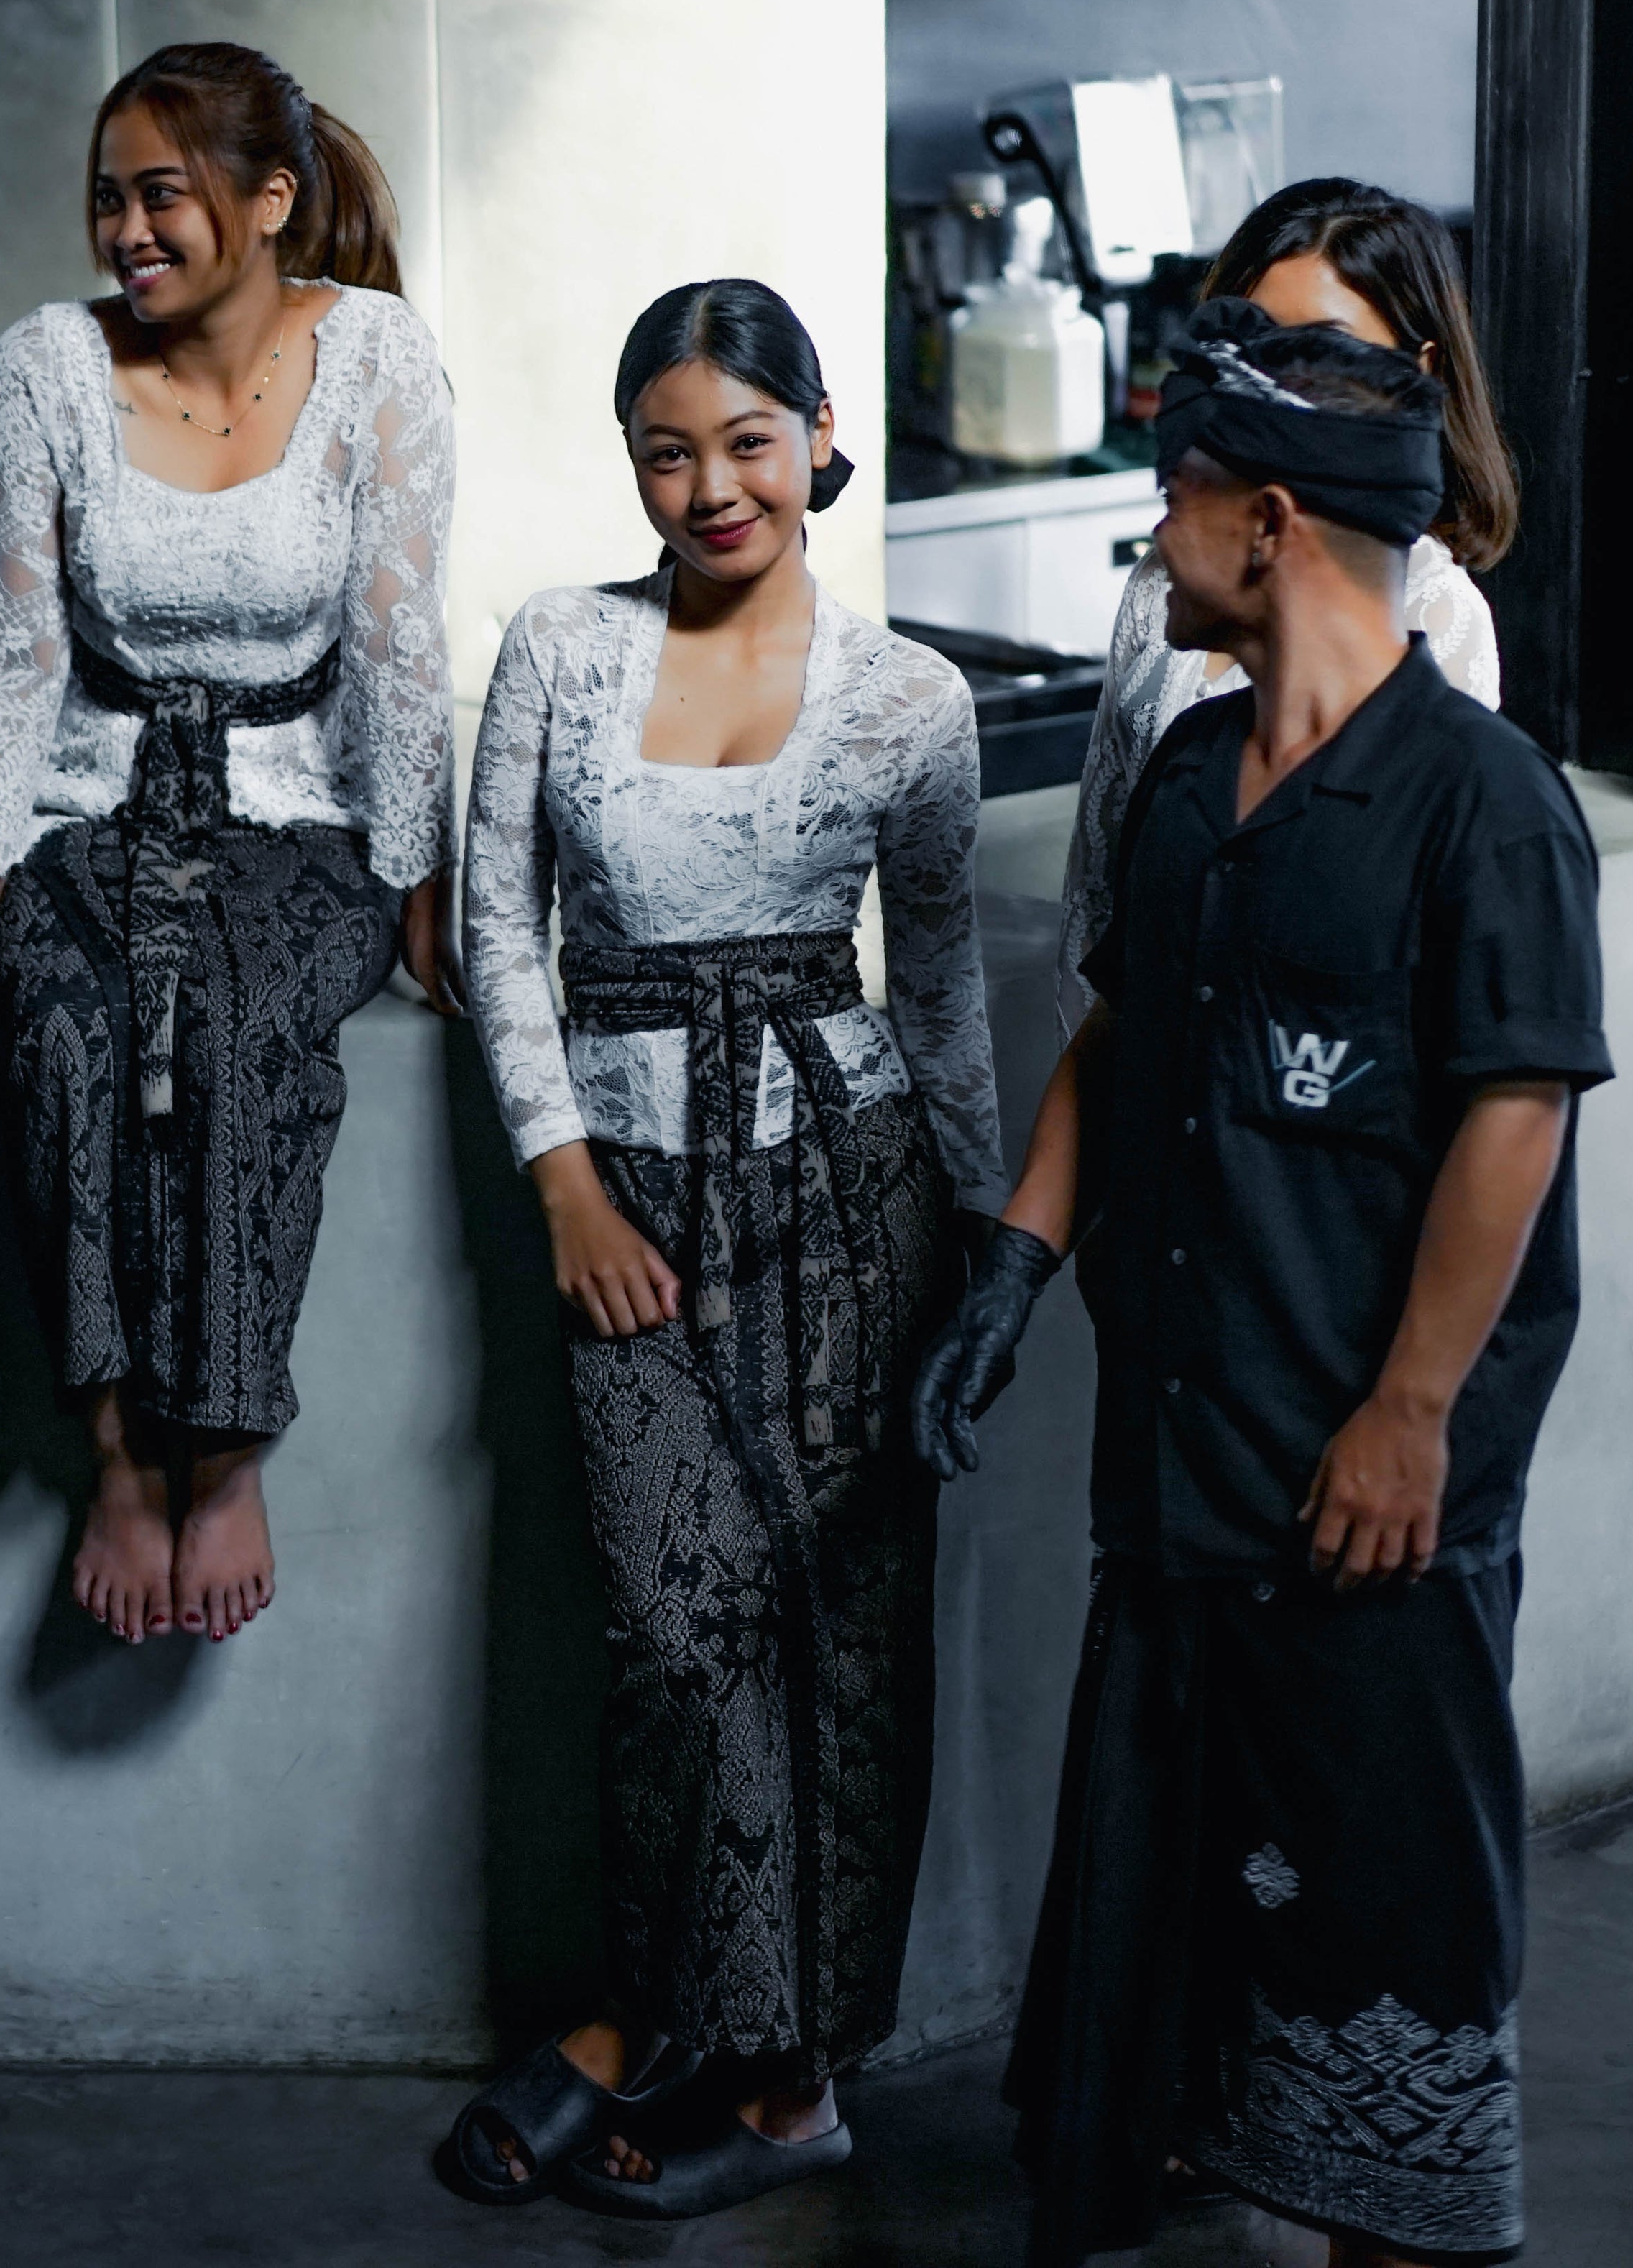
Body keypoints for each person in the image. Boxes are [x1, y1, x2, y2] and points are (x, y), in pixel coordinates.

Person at [919, 299, 1612, 2268]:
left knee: (1392, 1932)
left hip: (1363, 1496)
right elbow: (1118, 1033)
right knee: (1170, 1955)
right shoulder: (1190, 771)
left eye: (1174, 499)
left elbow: (1513, 1114)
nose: (1152, 538)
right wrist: (1013, 1264)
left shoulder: (1482, 802)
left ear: (1272, 521)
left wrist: (1406, 1412)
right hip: (1182, 1473)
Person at [438, 282, 1003, 2221]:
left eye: (746, 443)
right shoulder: (559, 646)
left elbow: (939, 989)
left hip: (850, 1195)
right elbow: (496, 932)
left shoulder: (908, 698)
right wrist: (565, 1185)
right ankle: (652, 2020)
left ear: (818, 437)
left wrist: (989, 1247)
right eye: (665, 452)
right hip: (632, 1202)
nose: (708, 488)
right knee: (672, 1638)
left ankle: (789, 2083)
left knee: (841, 1634)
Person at [0, 40, 459, 1646]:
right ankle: (121, 1449)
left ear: (271, 201)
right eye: (106, 199)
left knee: (242, 1019)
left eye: (161, 195)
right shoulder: (43, 368)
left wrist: (422, 882)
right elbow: (16, 646)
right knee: (67, 1031)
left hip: (303, 810)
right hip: (96, 802)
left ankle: (227, 1445)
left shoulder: (379, 358)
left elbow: (401, 643)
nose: (124, 233)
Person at [1059, 179, 1516, 1013]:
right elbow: (1101, 890)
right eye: (1256, 351)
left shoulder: (1438, 617)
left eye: (1325, 351)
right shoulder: (1165, 584)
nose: (1280, 389)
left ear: (1417, 375)